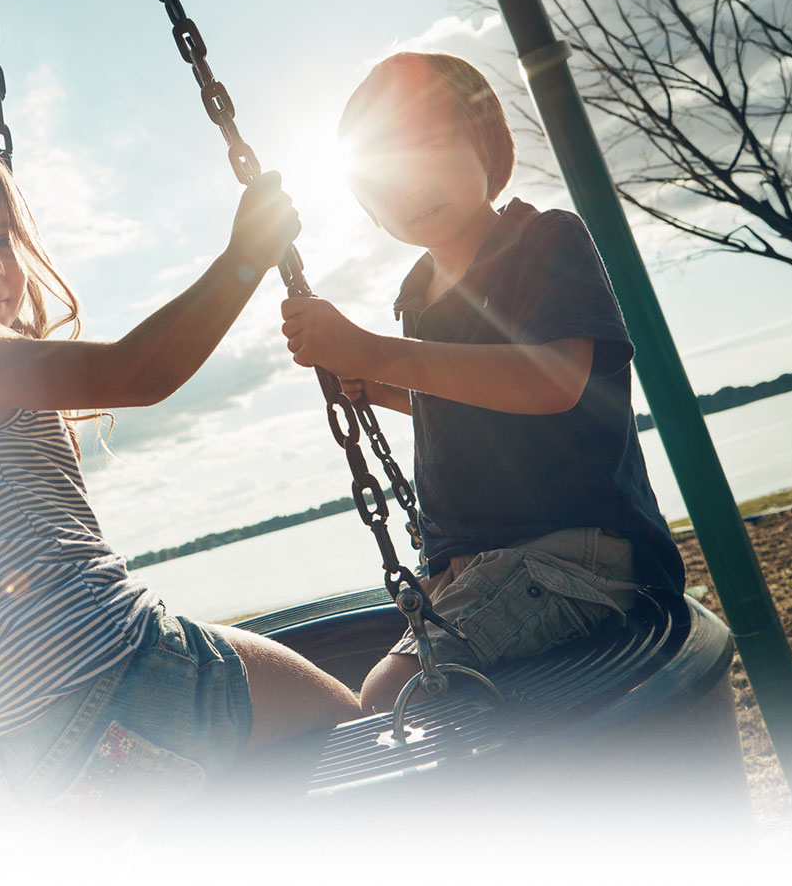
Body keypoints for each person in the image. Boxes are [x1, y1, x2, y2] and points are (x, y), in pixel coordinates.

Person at [0, 138, 359, 815]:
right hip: (110, 673)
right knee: (348, 720)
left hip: (6, 743)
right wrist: (244, 260)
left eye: (1, 238)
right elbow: (138, 373)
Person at [280, 53, 685, 715]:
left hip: (578, 554)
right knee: (375, 673)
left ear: (486, 144)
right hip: (482, 564)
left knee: (391, 698)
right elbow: (465, 403)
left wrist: (373, 350)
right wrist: (372, 381)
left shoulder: (543, 241)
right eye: (384, 177)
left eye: (431, 150)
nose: (411, 187)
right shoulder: (418, 294)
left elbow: (549, 384)